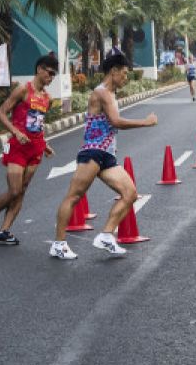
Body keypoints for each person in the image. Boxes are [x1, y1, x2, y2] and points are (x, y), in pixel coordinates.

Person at [50, 53, 158, 260]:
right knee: (73, 197)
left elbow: (109, 126)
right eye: (124, 73)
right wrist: (146, 122)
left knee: (130, 194)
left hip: (106, 155)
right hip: (92, 153)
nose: (126, 78)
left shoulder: (110, 94)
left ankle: (106, 235)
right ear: (113, 71)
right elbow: (116, 121)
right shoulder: (101, 93)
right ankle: (58, 243)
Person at [0, 55, 57, 246]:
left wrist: (44, 143)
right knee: (14, 190)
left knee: (22, 191)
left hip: (36, 149)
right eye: (49, 72)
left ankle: (4, 231)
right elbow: (0, 113)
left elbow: (38, 123)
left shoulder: (48, 98)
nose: (51, 77)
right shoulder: (23, 90)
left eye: (54, 75)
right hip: (17, 148)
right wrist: (15, 131)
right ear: (39, 69)